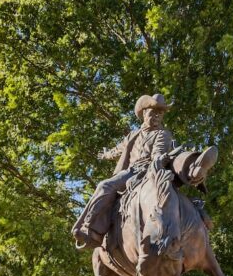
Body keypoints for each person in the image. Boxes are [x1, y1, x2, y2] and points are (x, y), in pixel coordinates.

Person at [72, 93, 177, 249]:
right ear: (144, 113)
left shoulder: (162, 134)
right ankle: (91, 226)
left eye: (160, 113)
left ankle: (90, 228)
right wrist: (106, 154)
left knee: (104, 186)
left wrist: (159, 159)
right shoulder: (133, 135)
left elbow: (158, 151)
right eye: (153, 112)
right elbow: (118, 149)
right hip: (130, 170)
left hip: (146, 170)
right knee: (105, 186)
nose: (157, 116)